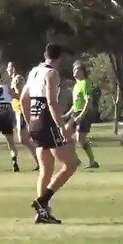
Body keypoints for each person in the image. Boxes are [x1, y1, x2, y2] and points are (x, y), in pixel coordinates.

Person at [21, 44, 80, 224]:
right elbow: (52, 102)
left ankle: (42, 214)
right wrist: (62, 127)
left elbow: (24, 98)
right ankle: (42, 201)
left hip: (35, 121)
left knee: (46, 169)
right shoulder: (52, 74)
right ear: (59, 58)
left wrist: (28, 120)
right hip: (47, 121)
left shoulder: (33, 72)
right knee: (72, 163)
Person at [64, 62, 99, 168]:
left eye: (77, 69)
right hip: (76, 113)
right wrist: (67, 114)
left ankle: (92, 162)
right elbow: (75, 104)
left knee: (80, 139)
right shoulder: (76, 85)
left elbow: (88, 102)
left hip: (84, 113)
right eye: (74, 69)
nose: (75, 71)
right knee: (65, 132)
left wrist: (82, 115)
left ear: (83, 71)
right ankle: (74, 159)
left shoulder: (85, 83)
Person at [8, 62, 39, 171]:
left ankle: (39, 159)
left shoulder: (19, 83)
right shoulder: (12, 83)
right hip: (17, 113)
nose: (7, 69)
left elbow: (21, 96)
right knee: (25, 139)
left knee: (24, 139)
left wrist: (11, 93)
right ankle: (39, 160)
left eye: (9, 67)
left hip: (22, 113)